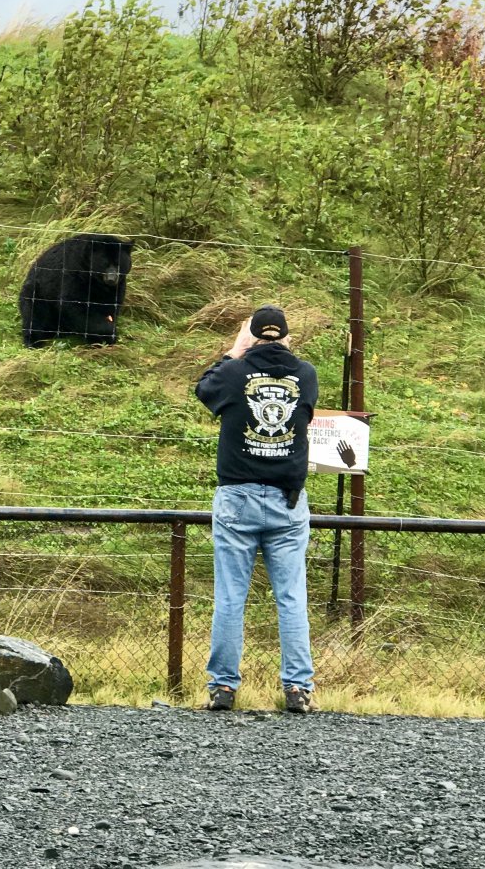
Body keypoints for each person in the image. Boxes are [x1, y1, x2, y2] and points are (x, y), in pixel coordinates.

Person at [195, 305, 319, 714]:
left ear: (251, 335)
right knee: (291, 597)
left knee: (231, 596)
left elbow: (203, 389)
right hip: (287, 500)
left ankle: (224, 687)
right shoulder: (306, 375)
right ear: (286, 337)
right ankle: (298, 688)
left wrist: (234, 351)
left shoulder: (233, 374)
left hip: (238, 498)